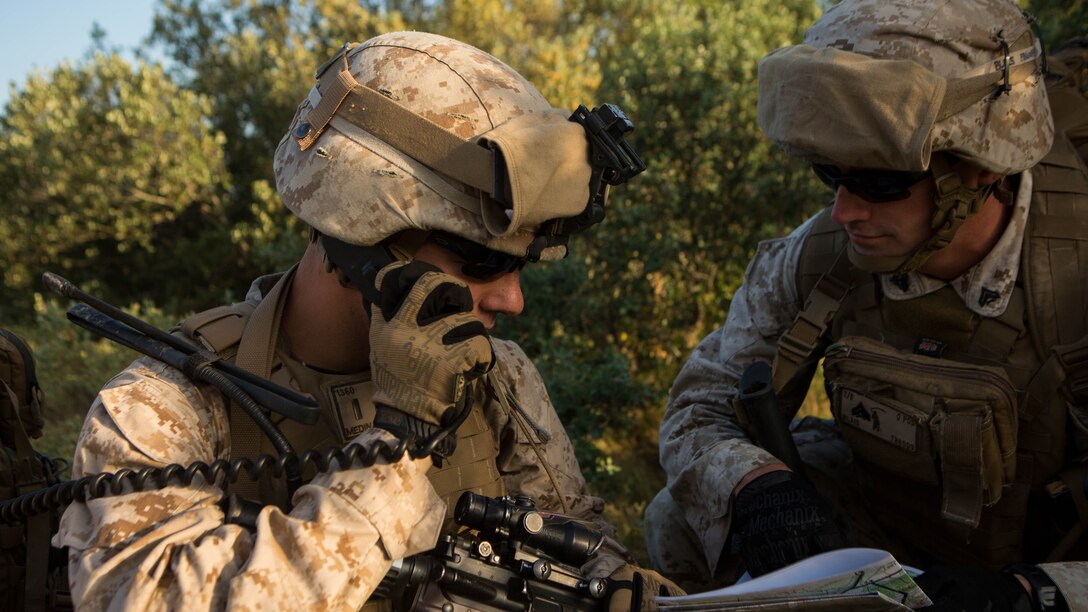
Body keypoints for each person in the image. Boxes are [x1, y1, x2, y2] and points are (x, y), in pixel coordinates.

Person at [54, 32, 680, 610]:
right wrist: (395, 450)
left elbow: (575, 547)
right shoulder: (159, 408)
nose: (511, 300)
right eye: (483, 260)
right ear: (361, 237)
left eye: (521, 267)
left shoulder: (499, 375)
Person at [645, 0, 1088, 609]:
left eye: (881, 183)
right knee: (680, 516)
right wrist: (757, 486)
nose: (846, 211)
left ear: (980, 169)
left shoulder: (1075, 273)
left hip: (1050, 570)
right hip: (888, 540)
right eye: (831, 176)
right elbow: (700, 404)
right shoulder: (821, 255)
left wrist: (1026, 591)